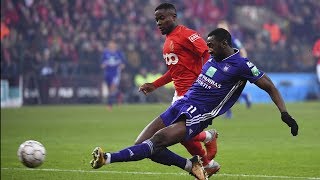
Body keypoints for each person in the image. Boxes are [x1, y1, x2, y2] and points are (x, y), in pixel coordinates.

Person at [90, 28, 299, 180]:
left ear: (224, 43)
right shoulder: (211, 58)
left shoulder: (241, 65)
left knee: (158, 140)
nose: (208, 49)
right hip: (181, 103)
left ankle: (107, 158)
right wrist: (156, 84)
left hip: (199, 114)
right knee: (142, 145)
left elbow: (270, 86)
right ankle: (191, 166)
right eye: (207, 45)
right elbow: (178, 71)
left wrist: (284, 113)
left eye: (211, 45)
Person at [138, 3, 219, 175]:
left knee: (175, 134)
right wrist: (155, 85)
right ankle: (207, 162)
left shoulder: (187, 34)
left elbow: (206, 53)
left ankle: (208, 141)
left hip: (193, 95)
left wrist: (204, 79)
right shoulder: (168, 40)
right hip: (179, 94)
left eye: (162, 18)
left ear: (173, 17)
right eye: (156, 20)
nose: (158, 23)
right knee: (184, 138)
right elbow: (174, 71)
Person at [217, 20, 251, 119]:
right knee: (227, 89)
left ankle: (228, 113)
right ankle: (244, 96)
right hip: (224, 67)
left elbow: (243, 50)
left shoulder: (233, 39)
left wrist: (243, 62)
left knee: (225, 90)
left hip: (232, 67)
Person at [100, 40, 126, 110]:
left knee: (112, 88)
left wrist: (122, 65)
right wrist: (103, 65)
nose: (111, 45)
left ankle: (109, 105)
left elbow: (123, 63)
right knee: (110, 89)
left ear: (115, 45)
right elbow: (102, 62)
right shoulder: (105, 53)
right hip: (107, 73)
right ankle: (119, 95)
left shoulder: (119, 53)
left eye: (113, 44)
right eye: (110, 44)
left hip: (115, 73)